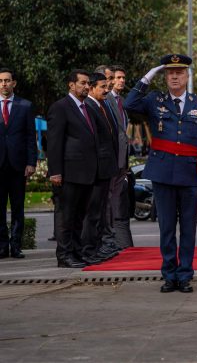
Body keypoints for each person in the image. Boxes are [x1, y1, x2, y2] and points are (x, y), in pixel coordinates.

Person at [125, 54, 197, 293]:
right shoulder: (155, 100)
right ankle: (169, 274)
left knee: (189, 228)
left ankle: (185, 275)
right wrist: (149, 75)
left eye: (179, 72)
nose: (174, 77)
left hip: (189, 174)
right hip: (164, 173)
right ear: (164, 77)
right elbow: (129, 103)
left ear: (187, 76)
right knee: (166, 228)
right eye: (169, 73)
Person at [46, 69, 97, 268]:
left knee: (78, 218)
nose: (86, 86)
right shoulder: (60, 107)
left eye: (88, 83)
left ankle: (76, 252)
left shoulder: (88, 108)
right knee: (65, 217)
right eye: (83, 83)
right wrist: (55, 171)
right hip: (67, 174)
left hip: (86, 174)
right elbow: (54, 142)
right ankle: (64, 255)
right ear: (71, 84)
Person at [81, 72, 120, 264]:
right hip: (96, 169)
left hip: (107, 168)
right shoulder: (88, 107)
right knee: (93, 212)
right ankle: (89, 250)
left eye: (107, 86)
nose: (106, 90)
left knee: (101, 212)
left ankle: (98, 247)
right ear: (91, 88)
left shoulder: (103, 105)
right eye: (102, 87)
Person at [0, 68, 37, 259]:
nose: (4, 84)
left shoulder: (25, 106)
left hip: (18, 166)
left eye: (7, 80)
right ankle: (1, 246)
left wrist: (31, 162)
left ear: (14, 83)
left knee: (17, 208)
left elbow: (31, 137)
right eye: (1, 81)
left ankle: (15, 246)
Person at [106, 65, 133, 250]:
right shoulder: (105, 99)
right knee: (109, 204)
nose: (122, 80)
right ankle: (112, 242)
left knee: (120, 203)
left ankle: (121, 243)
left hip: (122, 161)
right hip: (111, 160)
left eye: (123, 77)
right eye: (118, 77)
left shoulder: (123, 101)